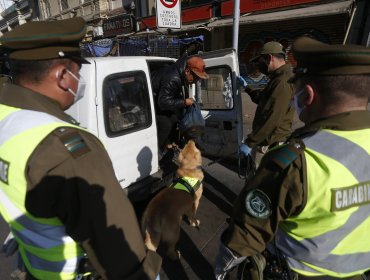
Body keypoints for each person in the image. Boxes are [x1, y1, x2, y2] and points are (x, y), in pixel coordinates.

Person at [0, 18, 161, 280]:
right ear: (64, 76)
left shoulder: (5, 115)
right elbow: (120, 253)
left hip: (34, 265)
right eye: (78, 73)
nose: (79, 83)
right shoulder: (65, 149)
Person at [214, 36, 370, 279]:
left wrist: (222, 269)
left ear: (307, 95)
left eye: (296, 90)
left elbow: (246, 236)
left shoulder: (294, 163)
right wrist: (246, 87)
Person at [238, 41, 295, 157]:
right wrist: (246, 87)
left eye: (260, 62)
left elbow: (272, 117)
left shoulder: (282, 82)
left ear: (269, 58)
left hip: (271, 144)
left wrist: (250, 142)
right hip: (268, 141)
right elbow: (263, 100)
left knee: (262, 175)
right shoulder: (277, 78)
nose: (259, 66)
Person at [151, 55, 208, 154]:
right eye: (195, 77)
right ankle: (156, 153)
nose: (196, 80)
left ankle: (168, 145)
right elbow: (163, 102)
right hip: (149, 100)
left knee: (175, 118)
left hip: (158, 98)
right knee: (166, 124)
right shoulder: (173, 78)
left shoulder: (180, 73)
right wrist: (184, 102)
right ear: (187, 71)